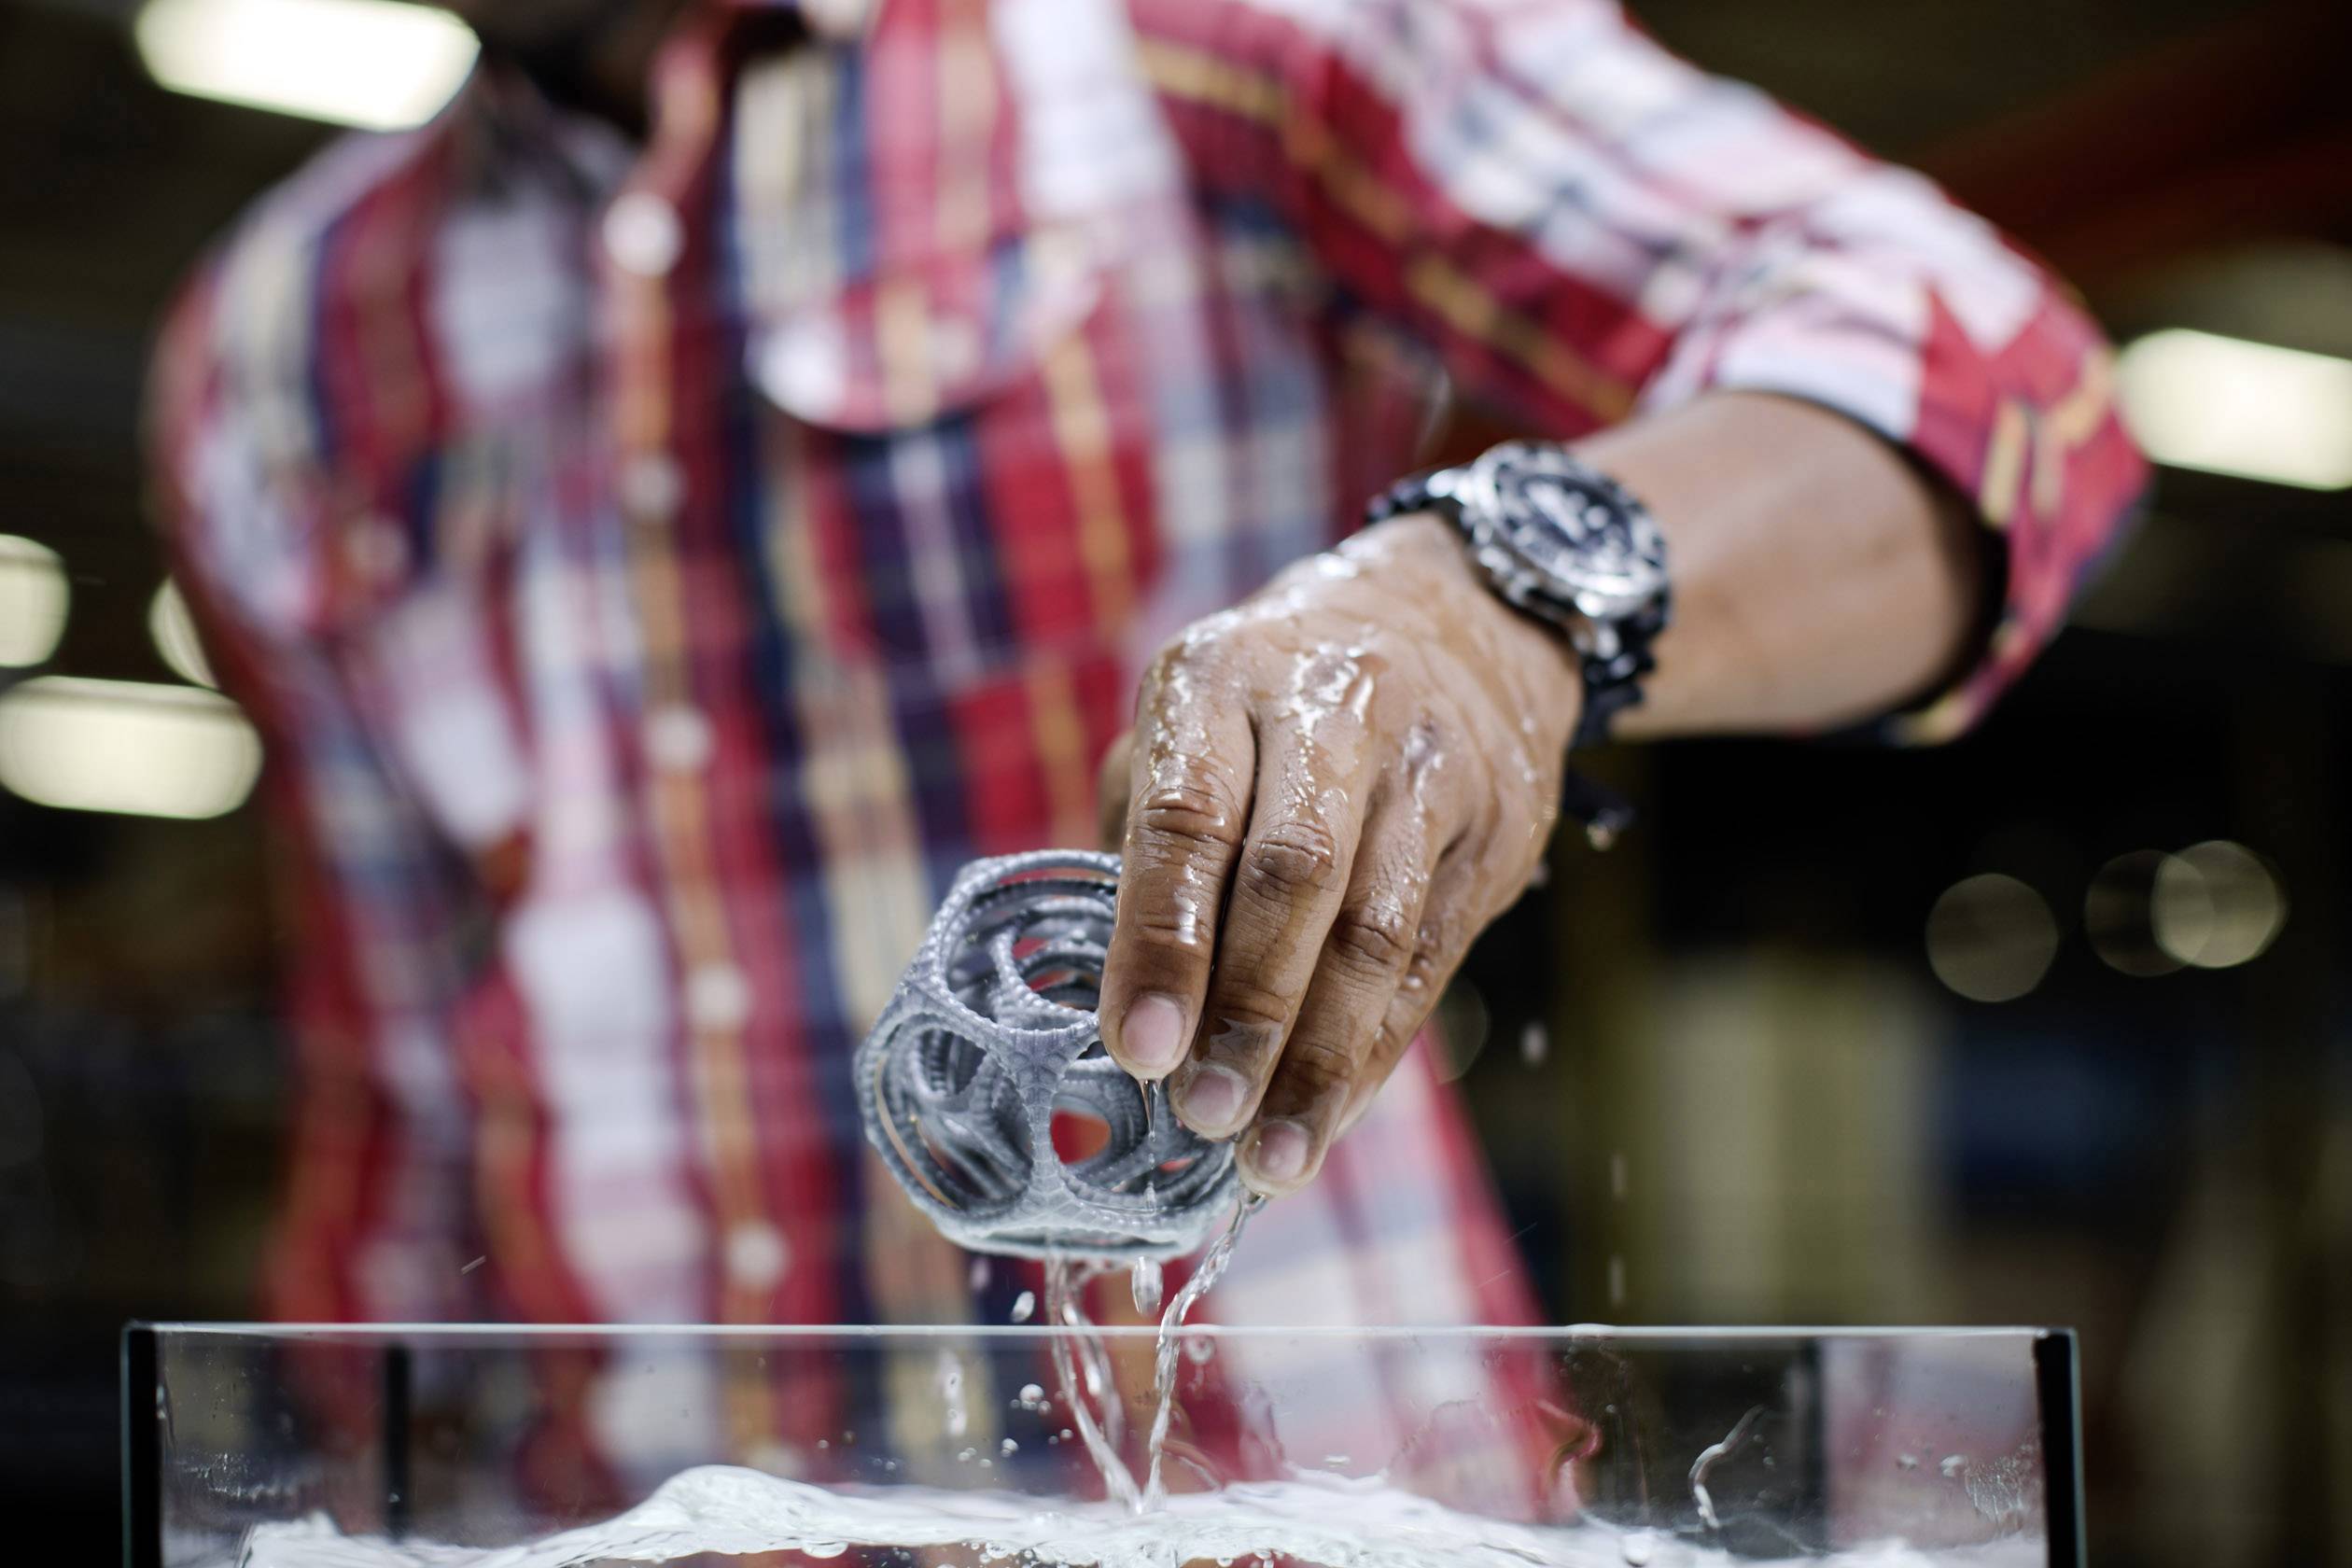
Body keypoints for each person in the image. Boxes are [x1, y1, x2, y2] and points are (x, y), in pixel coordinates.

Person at [148, 0, 2142, 1472]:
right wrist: (334, 1482)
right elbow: (398, 1084)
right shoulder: (277, 345)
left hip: (1299, 1488)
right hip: (641, 1504)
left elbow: (1982, 365)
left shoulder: (1199, 52)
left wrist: (1492, 602)